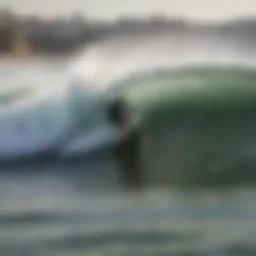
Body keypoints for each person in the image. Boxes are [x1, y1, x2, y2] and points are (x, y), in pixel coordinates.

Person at [107, 96, 144, 189]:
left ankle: (130, 184)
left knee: (128, 165)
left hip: (125, 141)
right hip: (126, 142)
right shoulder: (122, 127)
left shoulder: (121, 128)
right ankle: (131, 184)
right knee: (129, 165)